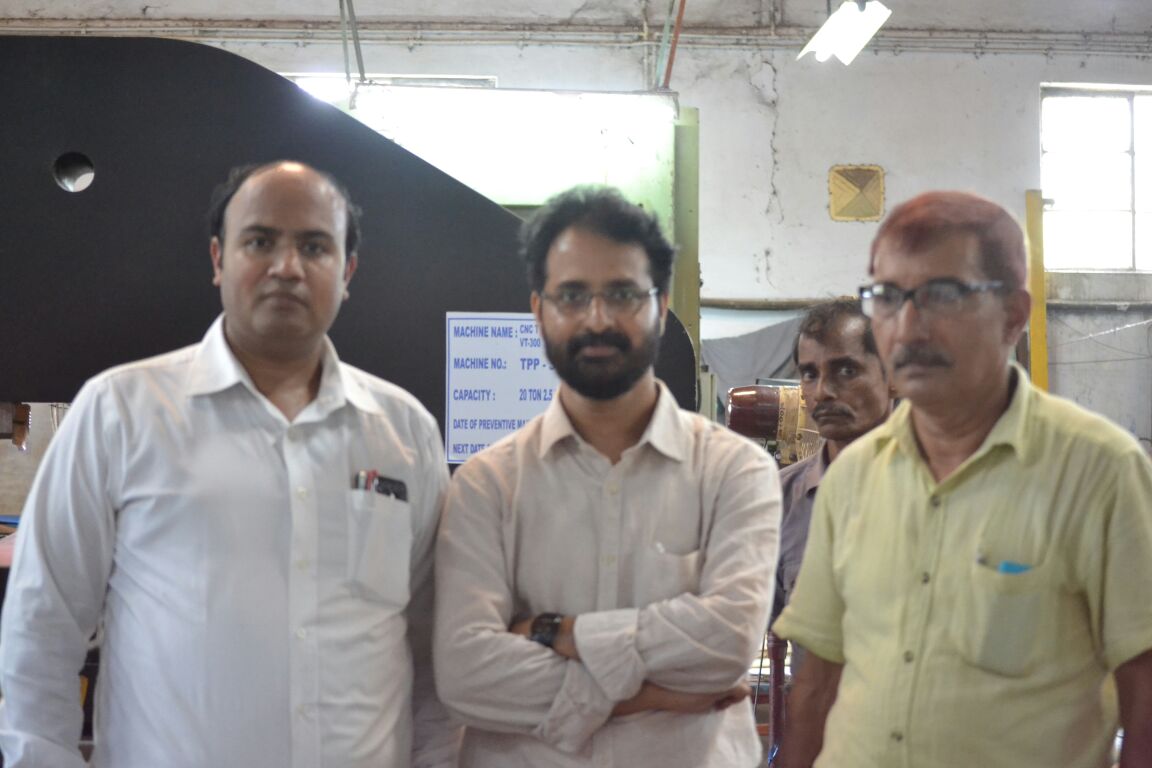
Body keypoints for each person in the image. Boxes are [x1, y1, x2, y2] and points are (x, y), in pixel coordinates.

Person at [0, 161, 457, 768]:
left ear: (347, 271)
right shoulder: (120, 413)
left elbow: (432, 650)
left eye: (315, 247)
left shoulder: (404, 434)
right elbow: (42, 625)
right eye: (260, 241)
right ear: (219, 259)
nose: (287, 266)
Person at [772, 190, 1152, 768]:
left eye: (943, 295)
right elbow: (816, 684)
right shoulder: (852, 480)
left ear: (1013, 316)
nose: (908, 326)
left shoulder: (1099, 472)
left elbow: (1145, 696)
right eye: (888, 298)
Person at [433, 186, 782, 767]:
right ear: (539, 310)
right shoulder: (487, 484)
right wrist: (649, 694)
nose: (596, 319)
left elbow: (726, 646)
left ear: (661, 306)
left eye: (622, 294)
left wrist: (555, 631)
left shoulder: (735, 471)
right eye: (572, 295)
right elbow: (467, 674)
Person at [772, 299, 893, 671]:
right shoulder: (778, 501)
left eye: (846, 370)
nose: (822, 391)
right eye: (809, 374)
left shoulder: (940, 489)